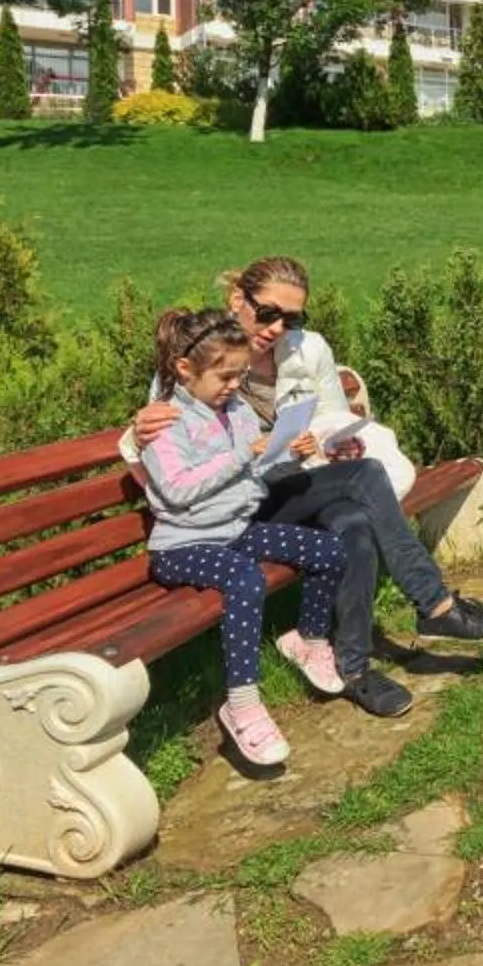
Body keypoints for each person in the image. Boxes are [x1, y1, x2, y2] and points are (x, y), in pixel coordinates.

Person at [130, 255, 483, 721]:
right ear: (237, 301)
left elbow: (335, 418)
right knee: (363, 487)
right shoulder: (204, 354)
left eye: (291, 318)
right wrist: (139, 422)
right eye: (267, 312)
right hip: (236, 505)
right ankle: (434, 604)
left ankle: (354, 669)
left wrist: (336, 446)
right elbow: (159, 436)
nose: (276, 328)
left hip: (290, 479)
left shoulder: (308, 351)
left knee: (353, 515)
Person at [136, 306, 352, 770]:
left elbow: (259, 467)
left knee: (327, 548)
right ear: (185, 369)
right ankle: (242, 702)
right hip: (183, 546)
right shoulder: (166, 423)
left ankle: (308, 639)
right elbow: (176, 490)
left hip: (235, 530)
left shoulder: (235, 411)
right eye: (225, 376)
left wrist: (291, 455)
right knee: (245, 579)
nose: (234, 385)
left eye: (239, 374)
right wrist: (242, 454)